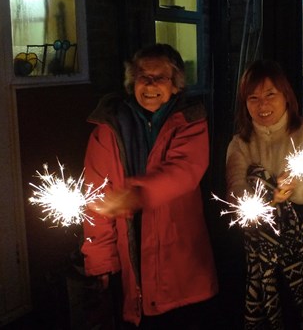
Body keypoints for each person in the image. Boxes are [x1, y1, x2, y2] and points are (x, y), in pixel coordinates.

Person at [81, 43, 218, 329]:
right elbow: (95, 199)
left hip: (181, 259)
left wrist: (138, 194)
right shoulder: (107, 129)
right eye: (144, 76)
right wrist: (101, 261)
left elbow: (184, 171)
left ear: (176, 85)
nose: (151, 84)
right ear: (133, 82)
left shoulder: (191, 121)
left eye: (161, 78)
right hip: (130, 257)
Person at [226, 59, 303, 329]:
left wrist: (294, 189)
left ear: (286, 96)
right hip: (266, 251)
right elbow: (236, 196)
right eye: (252, 98)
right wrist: (267, 199)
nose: (262, 105)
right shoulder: (240, 144)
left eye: (270, 95)